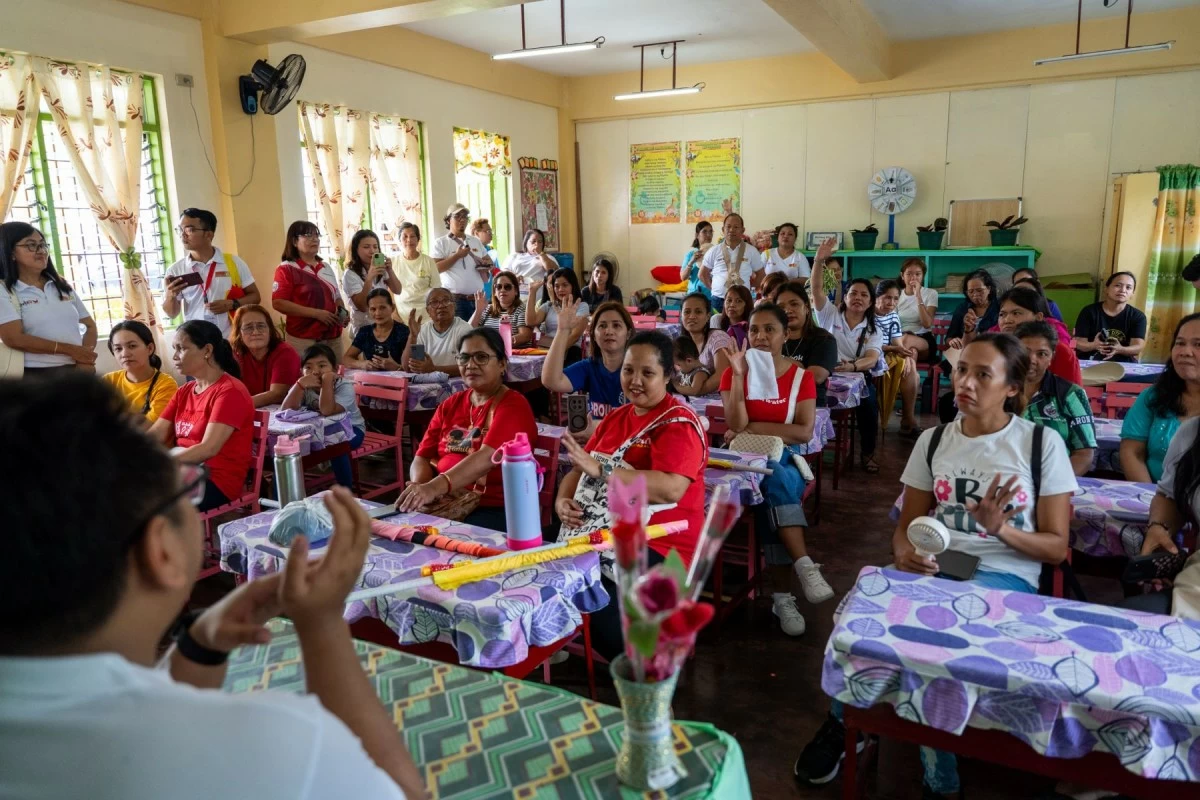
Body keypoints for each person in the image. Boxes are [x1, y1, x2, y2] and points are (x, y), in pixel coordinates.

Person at [0, 376, 425, 800]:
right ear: (161, 551)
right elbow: (400, 792)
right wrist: (324, 626)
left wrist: (197, 648)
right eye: (187, 488)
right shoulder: (270, 745)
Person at [794, 333, 1076, 796]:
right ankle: (846, 721)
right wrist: (903, 552)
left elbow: (1056, 548)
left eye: (983, 375)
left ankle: (939, 782)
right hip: (933, 567)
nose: (966, 382)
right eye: (962, 370)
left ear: (1011, 387)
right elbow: (907, 526)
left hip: (1004, 577)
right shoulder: (934, 440)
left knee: (932, 654)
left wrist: (1001, 530)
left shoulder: (1040, 444)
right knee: (858, 626)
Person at [556, 330, 708, 659]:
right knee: (546, 575)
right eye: (628, 370)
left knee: (593, 603)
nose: (635, 381)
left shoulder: (678, 423)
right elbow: (578, 472)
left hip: (660, 543)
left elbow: (671, 488)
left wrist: (603, 471)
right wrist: (562, 501)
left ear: (668, 376)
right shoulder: (616, 418)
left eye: (647, 373)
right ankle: (550, 640)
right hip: (603, 531)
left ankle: (643, 667)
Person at [719, 304, 828, 636]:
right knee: (775, 484)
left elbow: (803, 432)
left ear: (786, 334)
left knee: (774, 482)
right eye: (754, 330)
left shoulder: (801, 377)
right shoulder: (733, 372)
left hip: (786, 459)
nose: (760, 337)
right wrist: (739, 376)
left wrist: (751, 427)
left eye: (770, 329)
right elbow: (735, 422)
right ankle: (800, 572)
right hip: (743, 463)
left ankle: (784, 596)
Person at [399, 327, 538, 531]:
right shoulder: (451, 404)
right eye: (464, 358)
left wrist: (433, 488)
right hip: (444, 500)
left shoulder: (513, 405)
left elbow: (487, 458)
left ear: (502, 364)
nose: (471, 365)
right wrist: (420, 489)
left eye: (481, 357)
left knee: (440, 538)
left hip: (493, 507)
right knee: (395, 532)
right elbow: (422, 456)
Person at [148, 321, 255, 513]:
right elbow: (156, 433)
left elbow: (208, 448)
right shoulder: (184, 391)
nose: (174, 356)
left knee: (139, 502)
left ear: (207, 350)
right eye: (174, 349)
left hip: (216, 481)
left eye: (181, 349)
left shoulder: (230, 392)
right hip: (183, 470)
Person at [811, 240, 882, 473]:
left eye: (864, 295)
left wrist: (852, 366)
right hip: (826, 374)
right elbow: (816, 289)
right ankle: (808, 450)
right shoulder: (829, 314)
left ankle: (868, 453)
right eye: (853, 293)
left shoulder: (873, 329)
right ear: (846, 296)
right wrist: (819, 260)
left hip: (857, 377)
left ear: (870, 302)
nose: (858, 298)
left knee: (869, 406)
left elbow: (872, 358)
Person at [1126, 415, 1200, 618]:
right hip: (1196, 582)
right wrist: (1159, 527)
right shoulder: (1192, 433)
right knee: (1129, 618)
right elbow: (1170, 497)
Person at [0, 221, 97, 375]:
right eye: (31, 245)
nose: (41, 251)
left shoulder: (60, 285)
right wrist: (71, 350)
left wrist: (84, 359)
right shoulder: (4, 290)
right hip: (35, 374)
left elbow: (90, 326)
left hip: (76, 369)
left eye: (43, 245)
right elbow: (13, 338)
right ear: (10, 253)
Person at [1120, 313, 1200, 483]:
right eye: (1180, 343)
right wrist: (1149, 493)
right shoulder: (1153, 396)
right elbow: (1132, 452)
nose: (1185, 352)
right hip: (1152, 493)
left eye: (1198, 344)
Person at [542, 298, 631, 441]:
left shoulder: (638, 371)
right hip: (596, 443)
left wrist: (598, 427)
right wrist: (563, 330)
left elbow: (644, 421)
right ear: (593, 335)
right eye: (602, 326)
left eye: (616, 325)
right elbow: (551, 381)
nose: (609, 331)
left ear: (628, 334)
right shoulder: (589, 367)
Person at [162, 208, 260, 338]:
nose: (183, 235)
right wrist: (170, 296)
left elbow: (255, 297)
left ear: (209, 234)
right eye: (180, 229)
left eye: (189, 229)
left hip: (230, 338)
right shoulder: (176, 270)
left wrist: (232, 303)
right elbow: (172, 314)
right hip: (196, 341)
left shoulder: (233, 262)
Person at [1016, 321, 1096, 476]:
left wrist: (1054, 484)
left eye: (1042, 354)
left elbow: (1084, 454)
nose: (1032, 360)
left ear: (1051, 357)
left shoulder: (1071, 394)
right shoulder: (995, 391)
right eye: (1025, 351)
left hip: (1054, 479)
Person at [282, 344, 366, 489]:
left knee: (337, 445)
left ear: (335, 369)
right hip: (317, 431)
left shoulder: (344, 386)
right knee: (287, 450)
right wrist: (299, 385)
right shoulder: (304, 385)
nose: (315, 371)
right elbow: (285, 411)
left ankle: (346, 491)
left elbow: (327, 410)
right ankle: (286, 495)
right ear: (301, 371)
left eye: (322, 366)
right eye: (308, 367)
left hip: (351, 430)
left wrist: (327, 382)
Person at [271, 220, 348, 360]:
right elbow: (278, 303)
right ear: (294, 241)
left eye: (317, 235)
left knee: (336, 372)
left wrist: (342, 312)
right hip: (303, 338)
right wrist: (316, 314)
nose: (315, 239)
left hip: (332, 336)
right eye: (308, 235)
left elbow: (336, 296)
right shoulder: (286, 268)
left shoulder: (326, 267)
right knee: (306, 372)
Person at [994, 285, 1082, 386]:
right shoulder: (993, 350)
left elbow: (1073, 394)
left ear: (1038, 317)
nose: (1007, 320)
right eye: (1002, 314)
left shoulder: (1060, 352)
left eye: (1016, 313)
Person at [776, 280, 837, 406]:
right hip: (774, 401)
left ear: (807, 308)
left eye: (794, 304)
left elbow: (815, 377)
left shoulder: (824, 339)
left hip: (809, 404)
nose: (787, 310)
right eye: (781, 307)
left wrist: (776, 358)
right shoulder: (772, 339)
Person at [104, 320, 178, 423]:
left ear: (150, 348)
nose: (125, 354)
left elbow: (151, 426)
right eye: (118, 349)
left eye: (132, 346)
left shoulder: (165, 385)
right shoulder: (108, 381)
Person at [230, 304, 301, 408]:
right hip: (250, 409)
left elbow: (278, 394)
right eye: (248, 327)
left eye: (261, 326)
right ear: (239, 334)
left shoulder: (285, 352)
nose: (255, 332)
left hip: (282, 411)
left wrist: (237, 405)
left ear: (270, 330)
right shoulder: (235, 354)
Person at [874, 280, 921, 436]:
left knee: (910, 365)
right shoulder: (867, 314)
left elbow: (898, 343)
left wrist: (903, 355)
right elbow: (868, 345)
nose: (892, 302)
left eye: (895, 298)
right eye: (888, 297)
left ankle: (908, 418)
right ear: (876, 297)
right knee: (909, 368)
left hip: (888, 354)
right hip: (871, 355)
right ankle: (908, 420)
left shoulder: (893, 316)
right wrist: (895, 349)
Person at [431, 203, 492, 320]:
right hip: (455, 301)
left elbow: (488, 260)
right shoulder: (441, 243)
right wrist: (457, 256)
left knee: (480, 331)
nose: (462, 220)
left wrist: (486, 265)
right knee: (460, 331)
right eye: (457, 216)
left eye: (464, 217)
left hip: (477, 299)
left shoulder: (475, 241)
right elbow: (436, 268)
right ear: (448, 220)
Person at [1073, 271, 1147, 363]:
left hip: (1122, 363)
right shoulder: (1089, 312)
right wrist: (1094, 345)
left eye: (1128, 287)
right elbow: (1077, 342)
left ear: (1132, 293)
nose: (1123, 290)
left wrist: (1120, 349)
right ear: (1106, 289)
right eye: (1118, 285)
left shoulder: (1138, 316)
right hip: (1090, 361)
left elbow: (1138, 347)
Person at [341, 229, 402, 337]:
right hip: (364, 327)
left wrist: (390, 270)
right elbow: (362, 306)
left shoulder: (380, 268)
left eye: (375, 246)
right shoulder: (350, 274)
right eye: (366, 247)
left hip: (384, 324)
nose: (372, 251)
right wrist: (369, 278)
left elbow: (398, 290)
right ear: (356, 249)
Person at [699, 213, 765, 313]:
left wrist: (748, 287)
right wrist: (713, 288)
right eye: (728, 227)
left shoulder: (751, 251)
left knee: (741, 323)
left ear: (743, 230)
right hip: (718, 299)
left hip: (742, 300)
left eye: (736, 227)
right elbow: (702, 274)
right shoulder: (714, 250)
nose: (731, 230)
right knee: (718, 323)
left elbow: (761, 274)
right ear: (723, 229)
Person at [670, 292, 732, 397]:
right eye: (687, 312)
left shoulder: (717, 338)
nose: (692, 316)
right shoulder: (682, 342)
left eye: (698, 312)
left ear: (708, 316)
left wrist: (694, 391)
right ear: (681, 315)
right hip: (692, 397)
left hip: (719, 399)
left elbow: (722, 375)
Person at [403, 288, 475, 376]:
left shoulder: (464, 329)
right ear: (428, 311)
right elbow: (409, 368)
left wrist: (434, 369)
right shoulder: (422, 330)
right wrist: (413, 336)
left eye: (446, 301)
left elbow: (469, 365)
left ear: (454, 306)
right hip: (428, 382)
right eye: (434, 302)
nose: (441, 306)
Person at [528, 267, 588, 359]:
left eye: (565, 285)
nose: (560, 289)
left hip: (570, 350)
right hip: (548, 348)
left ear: (573, 286)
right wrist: (532, 292)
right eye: (556, 286)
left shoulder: (581, 306)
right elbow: (531, 321)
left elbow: (574, 336)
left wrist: (555, 352)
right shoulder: (549, 305)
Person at [345, 290, 410, 371]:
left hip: (399, 378)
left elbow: (416, 367)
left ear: (392, 308)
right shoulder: (365, 332)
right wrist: (361, 364)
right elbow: (346, 359)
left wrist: (397, 367)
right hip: (371, 378)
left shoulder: (404, 331)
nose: (378, 313)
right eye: (373, 309)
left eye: (382, 308)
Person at [470, 270, 532, 346]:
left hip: (513, 352)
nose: (502, 290)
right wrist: (478, 311)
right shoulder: (487, 308)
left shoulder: (521, 309)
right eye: (498, 287)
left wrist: (496, 344)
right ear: (495, 292)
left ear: (516, 291)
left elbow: (525, 336)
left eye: (507, 287)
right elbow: (469, 331)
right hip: (489, 350)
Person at [392, 222, 438, 325]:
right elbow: (390, 289)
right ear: (399, 240)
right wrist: (393, 312)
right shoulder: (393, 262)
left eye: (412, 236)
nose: (409, 240)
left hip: (426, 317)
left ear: (418, 239)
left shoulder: (428, 261)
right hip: (401, 316)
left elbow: (436, 289)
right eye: (405, 237)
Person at [896, 257, 939, 363]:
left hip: (923, 339)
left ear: (923, 276)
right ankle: (911, 374)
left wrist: (918, 296)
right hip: (900, 338)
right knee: (912, 351)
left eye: (918, 274)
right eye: (909, 274)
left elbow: (927, 324)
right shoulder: (896, 294)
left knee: (906, 340)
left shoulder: (931, 293)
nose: (913, 278)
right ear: (902, 276)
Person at [945, 269, 999, 349]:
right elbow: (949, 338)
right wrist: (952, 341)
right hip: (965, 351)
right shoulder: (962, 309)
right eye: (971, 291)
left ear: (989, 289)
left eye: (979, 290)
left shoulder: (999, 307)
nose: (975, 294)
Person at [679, 221, 714, 299]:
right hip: (693, 295)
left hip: (710, 295)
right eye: (704, 231)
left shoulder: (715, 252)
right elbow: (683, 277)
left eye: (710, 231)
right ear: (697, 235)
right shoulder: (691, 254)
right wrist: (691, 262)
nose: (708, 235)